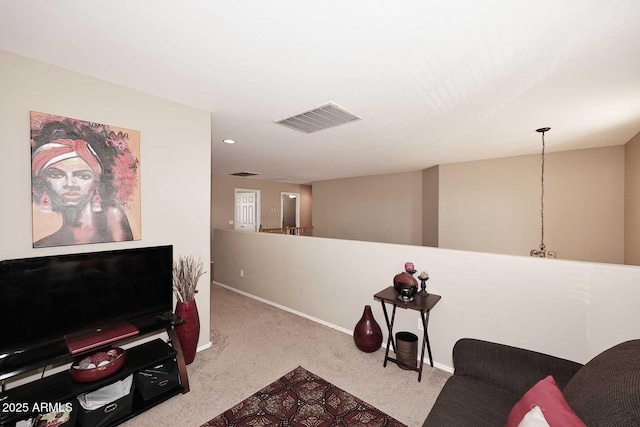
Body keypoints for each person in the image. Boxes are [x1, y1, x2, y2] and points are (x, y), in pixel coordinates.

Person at [31, 116, 138, 247]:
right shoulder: (44, 244)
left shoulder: (112, 217)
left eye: (83, 176)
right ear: (43, 183)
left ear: (97, 183)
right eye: (57, 175)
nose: (70, 184)